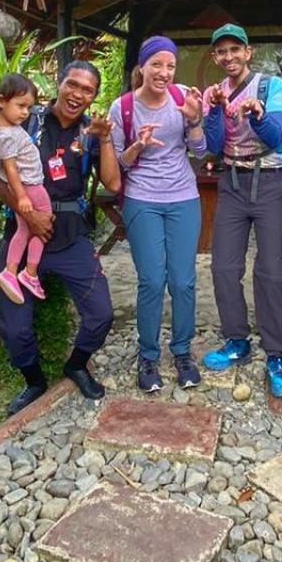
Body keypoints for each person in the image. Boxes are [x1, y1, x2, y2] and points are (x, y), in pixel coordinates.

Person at [0, 60, 121, 413]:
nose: (78, 94)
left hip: (71, 236)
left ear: (94, 96)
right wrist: (29, 215)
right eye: (73, 84)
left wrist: (105, 138)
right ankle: (33, 381)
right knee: (14, 326)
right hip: (22, 231)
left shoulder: (89, 131)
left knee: (101, 313)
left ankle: (76, 364)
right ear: (59, 83)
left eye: (88, 90)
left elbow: (112, 183)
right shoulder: (26, 120)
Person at [201, 23, 282, 397]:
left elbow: (276, 137)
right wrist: (212, 112)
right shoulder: (215, 92)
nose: (229, 57)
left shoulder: (269, 86)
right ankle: (236, 340)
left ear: (248, 51)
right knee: (223, 266)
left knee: (272, 271)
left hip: (271, 179)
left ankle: (275, 353)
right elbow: (213, 143)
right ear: (215, 57)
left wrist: (258, 114)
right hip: (233, 181)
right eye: (221, 52)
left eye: (234, 50)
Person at [109, 35, 207, 394]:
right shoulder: (122, 108)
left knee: (183, 280)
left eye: (170, 65)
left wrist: (195, 121)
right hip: (142, 198)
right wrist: (138, 145)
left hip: (183, 197)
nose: (164, 72)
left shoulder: (183, 98)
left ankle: (182, 352)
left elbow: (200, 151)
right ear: (142, 67)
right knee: (151, 279)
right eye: (157, 65)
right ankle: (147, 355)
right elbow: (119, 161)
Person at [0, 73, 51, 305]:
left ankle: (11, 270)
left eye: (29, 107)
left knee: (24, 229)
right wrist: (22, 196)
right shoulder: (5, 135)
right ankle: (30, 272)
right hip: (30, 185)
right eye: (21, 106)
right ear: (1, 100)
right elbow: (10, 168)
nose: (25, 112)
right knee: (42, 224)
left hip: (26, 185)